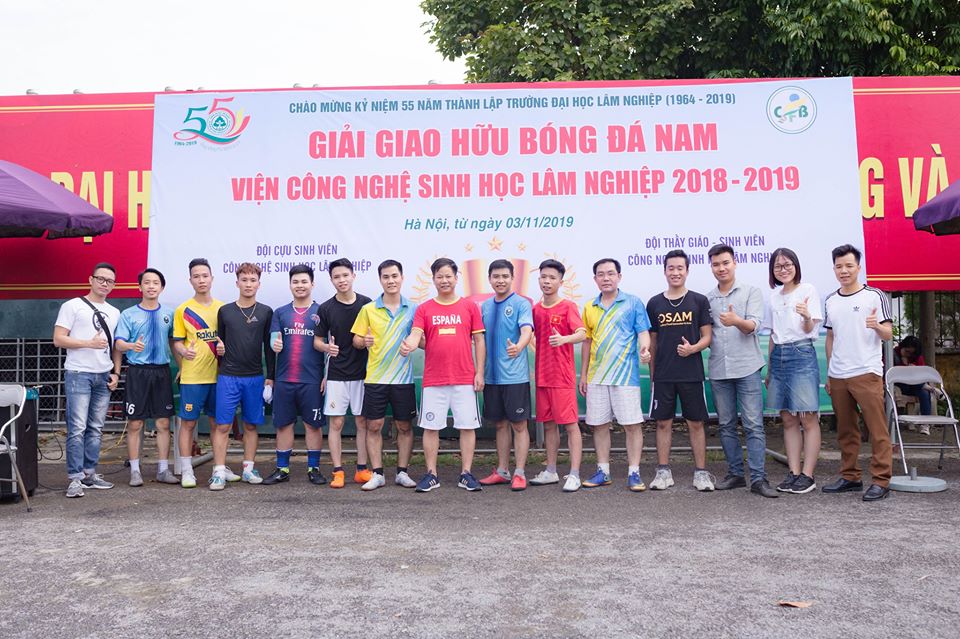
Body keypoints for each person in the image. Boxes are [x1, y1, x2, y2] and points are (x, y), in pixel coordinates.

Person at [401, 258, 485, 493]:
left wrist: (479, 372)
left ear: (456, 278)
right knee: (431, 427)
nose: (444, 280)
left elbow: (479, 340)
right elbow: (416, 334)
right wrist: (409, 344)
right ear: (434, 279)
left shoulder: (469, 307)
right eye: (440, 276)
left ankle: (466, 474)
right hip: (434, 379)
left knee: (467, 427)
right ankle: (431, 474)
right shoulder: (425, 308)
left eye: (449, 276)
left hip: (464, 378)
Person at [822, 244, 894, 502]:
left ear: (858, 267)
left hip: (866, 371)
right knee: (846, 429)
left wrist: (876, 326)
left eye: (849, 266)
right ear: (834, 269)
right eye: (839, 266)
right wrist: (830, 372)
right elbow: (830, 337)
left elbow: (888, 334)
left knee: (876, 429)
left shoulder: (874, 296)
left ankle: (881, 480)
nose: (844, 271)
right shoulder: (830, 300)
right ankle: (850, 477)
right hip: (838, 374)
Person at [706, 244, 777, 498]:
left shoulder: (751, 292)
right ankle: (735, 474)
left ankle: (758, 479)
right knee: (726, 425)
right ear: (711, 267)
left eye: (725, 263)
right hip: (719, 369)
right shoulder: (708, 299)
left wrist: (736, 321)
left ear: (734, 263)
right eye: (716, 264)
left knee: (753, 425)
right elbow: (706, 334)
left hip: (747, 367)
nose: (721, 268)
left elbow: (753, 327)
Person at [578, 258, 652, 491]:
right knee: (599, 425)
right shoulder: (590, 307)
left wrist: (645, 348)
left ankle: (634, 473)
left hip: (625, 376)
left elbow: (643, 332)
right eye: (601, 274)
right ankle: (603, 471)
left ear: (619, 276)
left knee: (632, 425)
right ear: (595, 279)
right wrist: (583, 375)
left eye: (611, 273)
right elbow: (587, 342)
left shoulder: (633, 303)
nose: (606, 278)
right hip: (596, 377)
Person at [646, 250, 714, 491]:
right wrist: (653, 372)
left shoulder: (699, 301)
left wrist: (693, 348)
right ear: (664, 271)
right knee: (663, 423)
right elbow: (652, 342)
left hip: (691, 373)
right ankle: (663, 472)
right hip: (663, 375)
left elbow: (708, 336)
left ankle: (701, 473)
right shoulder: (654, 303)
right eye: (671, 268)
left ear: (687, 271)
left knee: (695, 423)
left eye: (680, 268)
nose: (675, 272)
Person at [53, 262, 121, 498]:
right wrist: (88, 343)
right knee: (77, 428)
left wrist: (116, 373)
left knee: (96, 428)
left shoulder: (115, 312)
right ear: (90, 279)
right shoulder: (72, 306)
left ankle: (89, 474)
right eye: (100, 279)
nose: (105, 284)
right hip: (78, 374)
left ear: (114, 285)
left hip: (104, 375)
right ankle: (75, 478)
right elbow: (58, 339)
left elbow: (115, 347)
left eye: (110, 281)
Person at [350, 259, 419, 490]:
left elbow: (422, 339)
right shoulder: (368, 309)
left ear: (402, 278)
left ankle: (402, 472)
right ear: (380, 280)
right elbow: (356, 340)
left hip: (403, 379)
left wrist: (414, 343)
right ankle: (377, 474)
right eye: (386, 277)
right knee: (374, 426)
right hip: (375, 378)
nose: (391, 281)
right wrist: (364, 341)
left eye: (394, 276)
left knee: (404, 426)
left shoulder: (414, 309)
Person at [209, 262, 275, 491]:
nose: (248, 284)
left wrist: (270, 376)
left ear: (259, 284)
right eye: (244, 280)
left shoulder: (266, 312)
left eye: (252, 280)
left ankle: (248, 468)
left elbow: (269, 348)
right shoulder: (225, 311)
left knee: (251, 425)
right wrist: (219, 351)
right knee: (223, 426)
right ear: (237, 283)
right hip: (228, 377)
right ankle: (219, 471)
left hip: (255, 378)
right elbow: (220, 343)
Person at [764, 248, 823, 494]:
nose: (784, 269)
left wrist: (807, 316)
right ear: (773, 271)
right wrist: (769, 369)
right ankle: (794, 472)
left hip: (801, 352)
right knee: (787, 418)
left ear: (796, 266)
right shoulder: (773, 297)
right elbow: (772, 335)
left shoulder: (807, 290)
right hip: (779, 355)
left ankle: (808, 475)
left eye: (788, 264)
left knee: (807, 417)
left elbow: (810, 329)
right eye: (778, 266)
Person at [112, 268, 179, 487]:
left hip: (161, 372)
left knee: (163, 423)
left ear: (162, 287)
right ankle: (135, 471)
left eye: (156, 283)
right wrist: (132, 345)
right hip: (137, 372)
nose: (151, 286)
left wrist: (181, 366)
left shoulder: (169, 314)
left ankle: (163, 470)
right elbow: (118, 344)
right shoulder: (128, 314)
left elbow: (174, 342)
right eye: (147, 282)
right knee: (135, 423)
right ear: (139, 287)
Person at [262, 264, 327, 486]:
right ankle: (282, 469)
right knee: (283, 425)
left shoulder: (322, 312)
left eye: (304, 281)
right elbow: (274, 339)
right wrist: (276, 344)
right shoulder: (280, 312)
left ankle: (313, 468)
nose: (300, 285)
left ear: (312, 284)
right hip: (284, 379)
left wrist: (327, 375)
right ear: (290, 285)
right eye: (295, 282)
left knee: (313, 425)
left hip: (312, 380)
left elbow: (329, 345)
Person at [528, 259, 587, 492]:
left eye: (552, 278)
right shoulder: (535, 310)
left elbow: (581, 333)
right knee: (549, 426)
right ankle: (551, 471)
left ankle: (574, 474)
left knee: (571, 425)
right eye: (544, 277)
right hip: (542, 377)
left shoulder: (567, 307)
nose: (547, 281)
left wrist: (564, 339)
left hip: (562, 377)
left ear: (561, 282)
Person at [313, 258, 372, 489]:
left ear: (353, 276)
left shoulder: (367, 305)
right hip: (336, 374)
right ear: (331, 280)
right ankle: (338, 471)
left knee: (362, 422)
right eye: (336, 277)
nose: (342, 280)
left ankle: (361, 469)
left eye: (345, 275)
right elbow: (317, 341)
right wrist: (327, 347)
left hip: (363, 373)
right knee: (336, 423)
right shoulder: (326, 308)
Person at [477, 259, 534, 491]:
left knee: (519, 425)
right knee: (500, 425)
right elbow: (478, 339)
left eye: (505, 276)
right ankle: (502, 471)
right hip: (492, 377)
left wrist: (519, 346)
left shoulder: (521, 303)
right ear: (489, 279)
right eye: (496, 276)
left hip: (515, 377)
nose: (500, 280)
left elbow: (527, 330)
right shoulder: (485, 306)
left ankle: (519, 472)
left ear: (512, 278)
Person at [171, 258, 227, 489]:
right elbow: (177, 341)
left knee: (218, 425)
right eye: (196, 276)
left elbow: (229, 340)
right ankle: (187, 470)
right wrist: (183, 351)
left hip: (219, 377)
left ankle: (219, 468)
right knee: (188, 424)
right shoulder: (183, 309)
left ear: (212, 278)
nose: (201, 280)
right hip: (193, 378)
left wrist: (223, 348)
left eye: (205, 276)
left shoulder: (223, 309)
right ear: (190, 280)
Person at [893, 335, 933, 433]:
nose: (908, 355)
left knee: (924, 393)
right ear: (902, 346)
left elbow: (923, 374)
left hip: (915, 385)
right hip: (900, 385)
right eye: (907, 351)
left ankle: (925, 424)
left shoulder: (916, 357)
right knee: (921, 386)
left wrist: (914, 368)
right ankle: (930, 388)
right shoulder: (893, 354)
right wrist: (904, 367)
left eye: (911, 353)